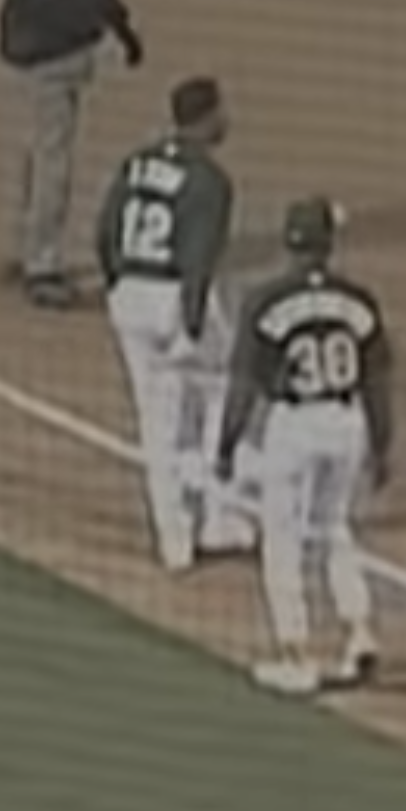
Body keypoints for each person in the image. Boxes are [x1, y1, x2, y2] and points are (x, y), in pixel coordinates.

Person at [216, 197, 392, 697]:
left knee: (283, 539)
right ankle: (359, 631)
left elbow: (244, 384)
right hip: (346, 423)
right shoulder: (360, 301)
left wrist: (227, 444)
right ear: (328, 244)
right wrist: (382, 447)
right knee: (333, 527)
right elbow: (377, 381)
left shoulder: (264, 300)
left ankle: (297, 654)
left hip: (294, 425)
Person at [97, 77, 258, 572]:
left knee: (158, 419)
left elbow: (105, 232)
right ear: (205, 118)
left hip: (129, 295)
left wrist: (118, 285)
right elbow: (199, 258)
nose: (226, 120)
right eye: (221, 112)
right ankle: (219, 519)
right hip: (176, 299)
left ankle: (174, 539)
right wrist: (190, 324)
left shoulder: (136, 163)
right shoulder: (210, 181)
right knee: (219, 399)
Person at [0, 0, 146, 310]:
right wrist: (75, 18)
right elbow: (23, 1)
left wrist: (122, 28)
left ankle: (28, 248)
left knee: (42, 156)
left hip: (75, 55)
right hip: (43, 62)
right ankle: (41, 266)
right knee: (53, 162)